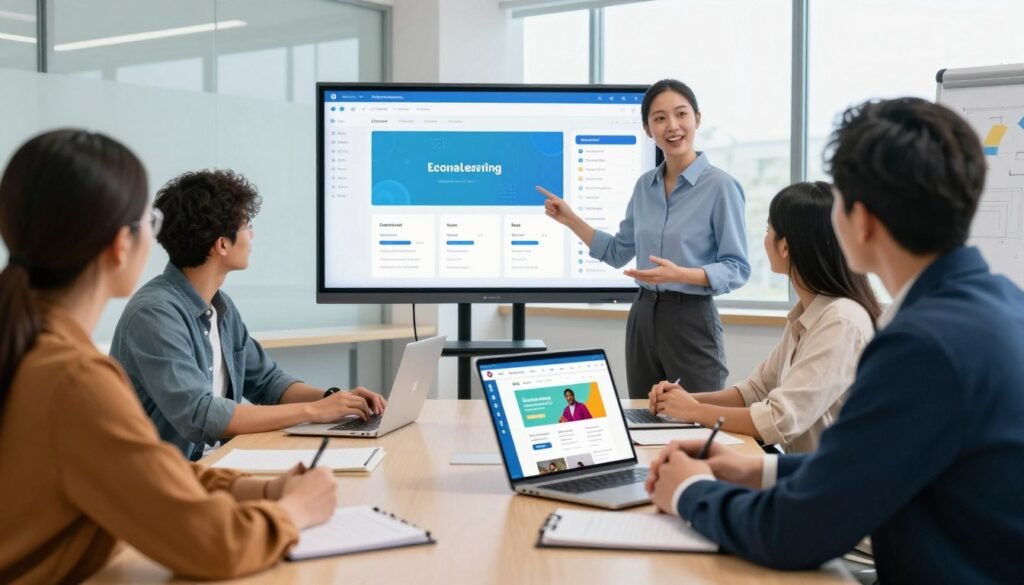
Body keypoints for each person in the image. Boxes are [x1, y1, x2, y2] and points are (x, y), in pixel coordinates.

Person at [645, 98, 1024, 583]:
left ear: (860, 219)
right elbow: (865, 468)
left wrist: (688, 492)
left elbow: (793, 531)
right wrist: (755, 472)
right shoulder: (992, 306)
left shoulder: (922, 345)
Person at [0, 130, 338, 581]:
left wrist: (262, 488)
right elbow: (213, 546)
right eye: (149, 222)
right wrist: (295, 511)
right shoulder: (75, 379)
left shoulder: (39, 350)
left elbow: (146, 476)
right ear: (121, 244)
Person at [110, 170, 387, 461]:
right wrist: (314, 412)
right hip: (159, 482)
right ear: (222, 244)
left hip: (212, 466)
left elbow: (268, 383)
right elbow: (199, 415)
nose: (252, 234)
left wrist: (337, 399)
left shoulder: (220, 307)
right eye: (247, 225)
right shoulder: (154, 315)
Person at [539, 79, 750, 398]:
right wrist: (569, 218)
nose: (672, 126)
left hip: (690, 315)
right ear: (648, 128)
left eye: (681, 114)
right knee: (645, 414)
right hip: (642, 315)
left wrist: (681, 274)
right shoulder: (644, 187)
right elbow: (616, 252)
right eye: (660, 118)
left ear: (697, 119)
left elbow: (736, 267)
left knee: (696, 417)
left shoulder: (721, 186)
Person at [647, 181, 880, 453]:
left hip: (831, 484)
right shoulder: (808, 315)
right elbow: (754, 392)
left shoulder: (841, 322)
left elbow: (777, 420)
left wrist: (693, 411)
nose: (765, 237)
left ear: (785, 247)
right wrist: (682, 401)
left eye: (769, 229)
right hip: (806, 472)